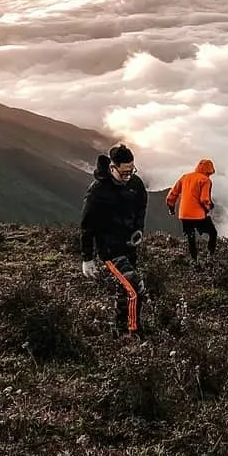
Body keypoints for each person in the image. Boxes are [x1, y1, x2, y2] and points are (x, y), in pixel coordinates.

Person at [80, 143, 150, 337]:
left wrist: (138, 230)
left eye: (132, 170)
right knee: (134, 287)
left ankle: (120, 329)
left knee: (127, 288)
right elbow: (87, 225)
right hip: (110, 249)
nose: (129, 176)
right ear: (112, 168)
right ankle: (132, 333)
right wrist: (87, 258)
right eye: (124, 172)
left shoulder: (135, 184)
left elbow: (141, 207)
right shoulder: (98, 191)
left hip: (129, 246)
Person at [166, 159, 217, 266]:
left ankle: (194, 260)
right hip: (198, 215)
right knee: (213, 233)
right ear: (209, 171)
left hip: (184, 214)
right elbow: (204, 199)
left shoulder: (185, 177)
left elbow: (172, 194)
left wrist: (171, 208)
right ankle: (210, 256)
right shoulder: (205, 180)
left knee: (191, 236)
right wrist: (209, 207)